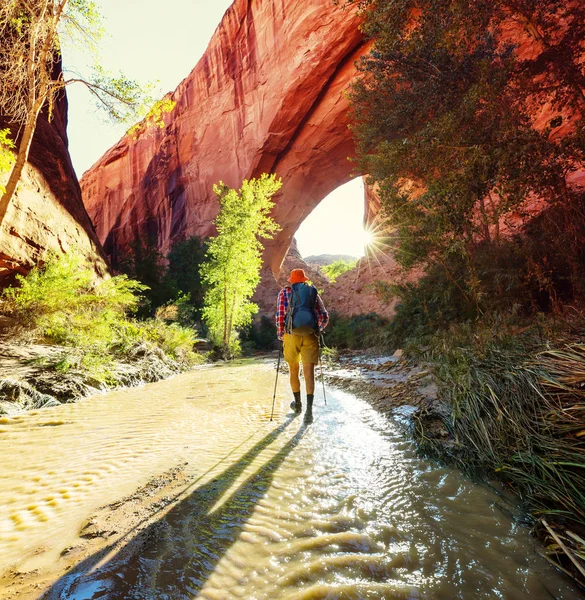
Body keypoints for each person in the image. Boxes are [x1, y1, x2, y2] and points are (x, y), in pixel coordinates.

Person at [275, 268, 329, 417]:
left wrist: (281, 334)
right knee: (309, 372)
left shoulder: (284, 292)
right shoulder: (311, 292)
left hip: (291, 334)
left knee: (293, 370)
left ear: (291, 280)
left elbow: (280, 315)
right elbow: (324, 316)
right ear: (304, 280)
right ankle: (309, 412)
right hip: (310, 334)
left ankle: (297, 405)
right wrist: (318, 328)